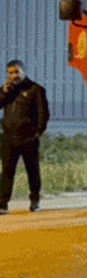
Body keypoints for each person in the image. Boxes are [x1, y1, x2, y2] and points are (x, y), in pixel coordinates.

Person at [0, 60, 49, 214]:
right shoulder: (7, 90)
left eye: (17, 72)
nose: (14, 75)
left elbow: (43, 112)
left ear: (23, 71)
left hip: (28, 138)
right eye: (10, 73)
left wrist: (38, 132)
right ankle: (2, 204)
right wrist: (4, 92)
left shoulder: (35, 89)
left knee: (32, 171)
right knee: (6, 172)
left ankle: (35, 200)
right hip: (8, 138)